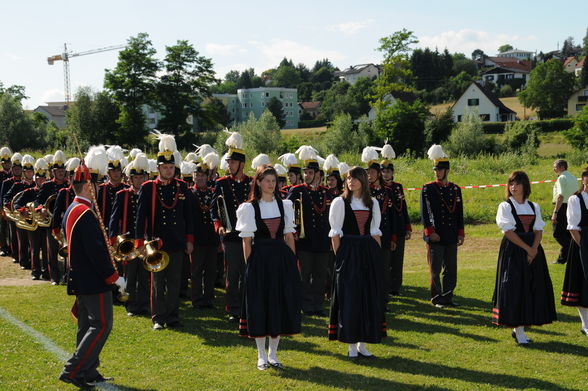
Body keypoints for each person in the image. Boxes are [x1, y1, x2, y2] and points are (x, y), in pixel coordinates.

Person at [58, 150, 124, 388]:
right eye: (94, 184)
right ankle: (73, 370)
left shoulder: (73, 208)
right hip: (93, 279)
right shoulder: (85, 213)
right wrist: (114, 276)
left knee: (87, 325)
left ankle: (88, 370)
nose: (96, 189)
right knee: (101, 324)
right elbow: (96, 252)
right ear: (88, 187)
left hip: (82, 277)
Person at [236, 165, 301, 370]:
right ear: (258, 182)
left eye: (274, 181)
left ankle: (273, 354)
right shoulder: (249, 208)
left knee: (278, 304)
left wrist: (292, 261)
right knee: (260, 305)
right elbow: (246, 241)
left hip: (281, 260)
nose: (271, 185)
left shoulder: (285, 205)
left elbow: (289, 235)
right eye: (267, 181)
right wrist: (250, 266)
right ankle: (261, 355)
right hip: (260, 261)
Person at [136, 132, 194, 330]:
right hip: (156, 243)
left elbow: (188, 217)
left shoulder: (183, 187)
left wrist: (189, 239)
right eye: (165, 168)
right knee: (157, 283)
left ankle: (173, 316)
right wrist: (139, 242)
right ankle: (158, 318)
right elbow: (140, 217)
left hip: (177, 242)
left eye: (171, 167)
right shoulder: (148, 188)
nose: (168, 171)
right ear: (158, 168)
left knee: (175, 282)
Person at [328, 166, 386, 358]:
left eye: (354, 178)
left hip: (368, 253)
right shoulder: (340, 202)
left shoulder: (372, 203)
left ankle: (362, 343)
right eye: (348, 179)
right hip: (349, 253)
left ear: (363, 180)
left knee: (367, 296)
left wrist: (377, 258)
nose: (350, 182)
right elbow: (335, 234)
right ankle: (351, 344)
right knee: (350, 298)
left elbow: (375, 232)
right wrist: (340, 258)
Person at [493, 171, 557, 345]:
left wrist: (534, 249)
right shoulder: (505, 206)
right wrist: (527, 249)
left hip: (533, 251)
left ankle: (521, 329)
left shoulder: (533, 206)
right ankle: (519, 331)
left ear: (525, 186)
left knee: (530, 287)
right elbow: (508, 232)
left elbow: (538, 230)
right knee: (515, 288)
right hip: (514, 250)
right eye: (511, 184)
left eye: (517, 183)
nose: (513, 187)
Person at [211, 132, 252, 322]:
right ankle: (234, 308)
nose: (229, 165)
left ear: (241, 164)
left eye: (232, 163)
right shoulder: (221, 183)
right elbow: (214, 209)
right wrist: (218, 225)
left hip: (249, 236)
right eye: (228, 163)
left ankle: (246, 306)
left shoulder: (251, 183)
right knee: (233, 273)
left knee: (248, 272)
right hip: (231, 235)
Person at [287, 145, 332, 316]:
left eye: (310, 173)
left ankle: (317, 304)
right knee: (304, 275)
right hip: (304, 241)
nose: (307, 175)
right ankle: (305, 304)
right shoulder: (297, 191)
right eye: (305, 172)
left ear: (319, 175)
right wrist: (293, 231)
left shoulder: (326, 193)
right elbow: (287, 211)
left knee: (320, 275)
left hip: (322, 240)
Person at [420, 145, 464, 308]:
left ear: (447, 171)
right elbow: (425, 213)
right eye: (435, 170)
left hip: (451, 234)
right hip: (435, 235)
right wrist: (430, 232)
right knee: (435, 269)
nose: (437, 172)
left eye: (440, 170)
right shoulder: (428, 188)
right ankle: (437, 297)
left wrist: (460, 232)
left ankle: (448, 296)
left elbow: (459, 213)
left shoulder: (455, 189)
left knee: (451, 269)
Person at [109, 153, 149, 316]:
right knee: (130, 276)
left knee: (145, 275)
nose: (139, 181)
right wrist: (113, 239)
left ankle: (145, 305)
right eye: (136, 178)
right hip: (128, 242)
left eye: (141, 177)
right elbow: (114, 218)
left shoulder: (149, 194)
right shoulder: (122, 195)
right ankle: (131, 306)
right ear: (130, 179)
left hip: (145, 241)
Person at [363, 146, 396, 311]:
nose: (370, 174)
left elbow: (391, 216)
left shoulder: (387, 191)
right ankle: (369, 299)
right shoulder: (363, 192)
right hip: (367, 237)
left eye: (372, 172)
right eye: (367, 172)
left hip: (383, 235)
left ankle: (382, 300)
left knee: (383, 269)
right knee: (368, 270)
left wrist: (393, 238)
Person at [380, 143, 412, 296]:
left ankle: (396, 287)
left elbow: (403, 207)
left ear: (392, 173)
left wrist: (408, 226)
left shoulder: (398, 187)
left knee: (398, 260)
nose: (386, 174)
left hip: (399, 227)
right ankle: (385, 286)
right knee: (387, 261)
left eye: (388, 171)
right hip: (387, 228)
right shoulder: (380, 189)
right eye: (384, 172)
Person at [191, 152, 220, 310]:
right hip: (196, 238)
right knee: (196, 271)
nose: (200, 178)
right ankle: (196, 300)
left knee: (210, 271)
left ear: (207, 177)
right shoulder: (189, 194)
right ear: (193, 177)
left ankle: (208, 299)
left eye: (202, 176)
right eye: (197, 175)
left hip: (211, 238)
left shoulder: (212, 193)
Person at [35, 150, 69, 283]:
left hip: (66, 222)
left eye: (62, 170)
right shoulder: (47, 185)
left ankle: (67, 276)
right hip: (51, 223)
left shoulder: (68, 185)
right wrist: (41, 208)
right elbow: (38, 201)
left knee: (67, 251)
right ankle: (54, 277)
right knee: (52, 252)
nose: (60, 172)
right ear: (53, 172)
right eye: (57, 170)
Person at [562, 168, 588, 336]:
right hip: (582, 245)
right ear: (584, 179)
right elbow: (572, 228)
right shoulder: (575, 199)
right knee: (582, 284)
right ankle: (586, 325)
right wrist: (584, 247)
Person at [13, 158, 49, 280]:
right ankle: (35, 272)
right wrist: (23, 212)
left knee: (46, 250)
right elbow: (16, 204)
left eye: (43, 178)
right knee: (34, 249)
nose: (41, 180)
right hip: (33, 225)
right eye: (39, 179)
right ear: (36, 179)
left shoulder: (48, 192)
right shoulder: (28, 192)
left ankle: (46, 272)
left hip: (45, 225)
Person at [4, 154, 36, 270]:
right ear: (24, 173)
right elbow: (6, 198)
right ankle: (23, 261)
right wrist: (13, 209)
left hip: (34, 216)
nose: (29, 174)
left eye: (30, 172)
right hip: (21, 216)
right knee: (22, 240)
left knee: (32, 242)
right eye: (26, 172)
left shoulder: (35, 185)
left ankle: (34, 262)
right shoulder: (17, 185)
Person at [551, 159, 577, 264]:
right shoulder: (573, 177)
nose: (554, 169)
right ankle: (563, 259)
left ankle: (573, 252)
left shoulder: (561, 178)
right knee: (567, 233)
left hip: (562, 207)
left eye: (555, 166)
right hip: (572, 205)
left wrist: (555, 212)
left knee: (557, 234)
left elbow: (560, 196)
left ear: (562, 167)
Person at [0, 146, 13, 256]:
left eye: (8, 162)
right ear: (2, 163)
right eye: (5, 163)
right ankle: (4, 247)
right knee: (2, 227)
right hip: (1, 204)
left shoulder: (15, 174)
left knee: (12, 228)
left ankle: (12, 247)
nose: (7, 164)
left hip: (12, 204)